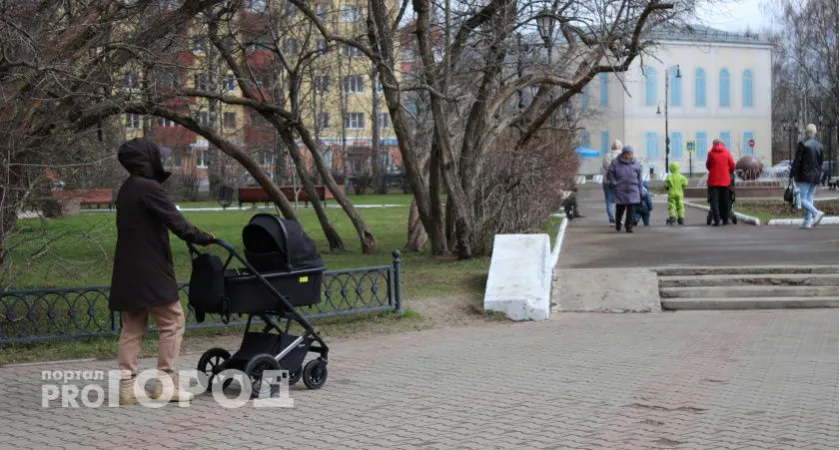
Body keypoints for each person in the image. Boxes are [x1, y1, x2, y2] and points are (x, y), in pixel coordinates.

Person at [110, 138, 216, 405]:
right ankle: (165, 383)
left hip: (127, 268)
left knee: (132, 327)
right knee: (173, 321)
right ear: (147, 159)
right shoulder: (149, 189)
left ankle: (127, 387)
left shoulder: (126, 189)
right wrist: (204, 237)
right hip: (151, 268)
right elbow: (177, 222)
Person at [790, 123, 825, 228]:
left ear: (806, 132)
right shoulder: (820, 145)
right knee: (809, 197)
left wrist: (792, 173)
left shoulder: (802, 144)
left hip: (804, 176)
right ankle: (807, 221)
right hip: (815, 176)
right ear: (815, 133)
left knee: (800, 198)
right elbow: (821, 161)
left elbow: (797, 161)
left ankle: (816, 213)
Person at [607, 145, 643, 233]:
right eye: (626, 154)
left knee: (631, 210)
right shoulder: (615, 162)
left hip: (633, 189)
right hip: (620, 189)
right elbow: (610, 174)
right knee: (620, 209)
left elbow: (639, 177)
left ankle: (629, 226)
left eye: (629, 154)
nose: (628, 156)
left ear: (632, 154)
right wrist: (614, 182)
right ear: (622, 153)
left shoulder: (636, 163)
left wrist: (640, 189)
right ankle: (618, 223)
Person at [705, 138, 735, 226]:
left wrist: (713, 169)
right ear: (723, 144)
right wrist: (729, 171)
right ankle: (725, 220)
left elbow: (708, 165)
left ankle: (717, 219)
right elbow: (732, 165)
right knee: (725, 201)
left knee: (714, 201)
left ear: (714, 144)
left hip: (713, 182)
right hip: (725, 181)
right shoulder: (727, 153)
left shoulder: (711, 153)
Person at [601, 139, 623, 225]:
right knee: (619, 201)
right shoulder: (621, 156)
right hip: (619, 181)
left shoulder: (606, 156)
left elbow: (605, 167)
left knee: (608, 200)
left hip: (607, 180)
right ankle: (619, 219)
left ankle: (611, 219)